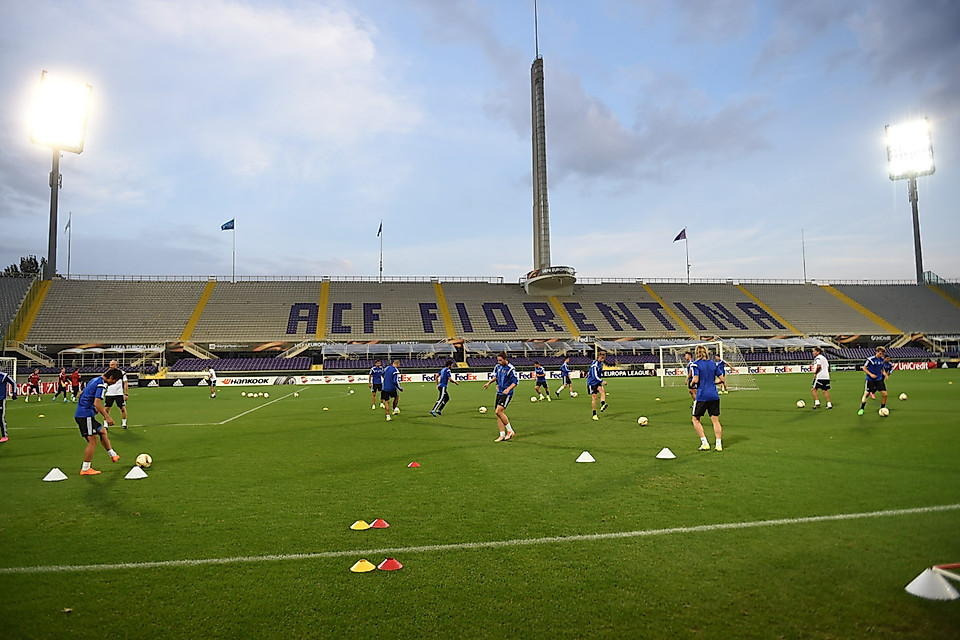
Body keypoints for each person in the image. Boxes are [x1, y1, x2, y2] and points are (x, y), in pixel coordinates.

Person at [76, 367, 123, 476]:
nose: (114, 383)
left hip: (85, 414)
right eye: (115, 381)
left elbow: (82, 393)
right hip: (85, 415)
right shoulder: (101, 385)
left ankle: (113, 455)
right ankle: (85, 469)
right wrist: (107, 416)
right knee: (93, 441)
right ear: (111, 377)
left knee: (102, 431)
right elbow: (97, 403)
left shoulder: (95, 380)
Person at [691, 345, 723, 451]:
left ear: (697, 353)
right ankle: (718, 444)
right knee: (715, 420)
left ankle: (705, 443)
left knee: (695, 419)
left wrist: (691, 383)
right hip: (714, 395)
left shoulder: (695, 364)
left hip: (702, 395)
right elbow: (721, 379)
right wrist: (713, 383)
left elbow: (696, 380)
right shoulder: (713, 364)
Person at [483, 351, 518, 442]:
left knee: (499, 411)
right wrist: (489, 383)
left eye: (500, 360)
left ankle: (510, 431)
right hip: (499, 392)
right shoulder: (498, 367)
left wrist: (508, 389)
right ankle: (502, 434)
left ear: (505, 359)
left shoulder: (511, 369)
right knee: (498, 414)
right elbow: (496, 377)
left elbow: (515, 382)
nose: (499, 362)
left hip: (507, 394)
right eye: (498, 360)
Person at [859, 346, 888, 415]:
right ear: (877, 352)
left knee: (885, 394)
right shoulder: (870, 359)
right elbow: (864, 368)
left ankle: (882, 408)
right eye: (880, 353)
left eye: (882, 354)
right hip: (870, 380)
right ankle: (862, 408)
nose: (881, 355)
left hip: (879, 379)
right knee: (866, 394)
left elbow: (882, 369)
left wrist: (885, 374)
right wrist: (871, 374)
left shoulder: (882, 360)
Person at [103, 360, 129, 428]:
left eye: (112, 364)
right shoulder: (107, 373)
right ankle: (105, 424)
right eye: (110, 364)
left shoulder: (122, 373)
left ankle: (124, 423)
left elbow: (125, 383)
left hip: (119, 393)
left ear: (116, 365)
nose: (110, 366)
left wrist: (126, 394)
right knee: (106, 409)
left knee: (122, 408)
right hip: (109, 393)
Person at [587, 350, 607, 421]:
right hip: (591, 383)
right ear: (599, 357)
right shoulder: (594, 365)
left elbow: (599, 374)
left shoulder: (601, 364)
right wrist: (602, 381)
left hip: (597, 381)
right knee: (594, 398)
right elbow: (594, 376)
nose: (603, 359)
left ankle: (603, 404)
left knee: (602, 391)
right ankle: (594, 414)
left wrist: (600, 381)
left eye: (604, 358)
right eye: (602, 358)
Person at [0, 369, 17, 443]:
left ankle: (4, 435)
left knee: (0, 418)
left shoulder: (3, 376)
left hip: (1, 399)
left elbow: (13, 382)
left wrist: (14, 393)